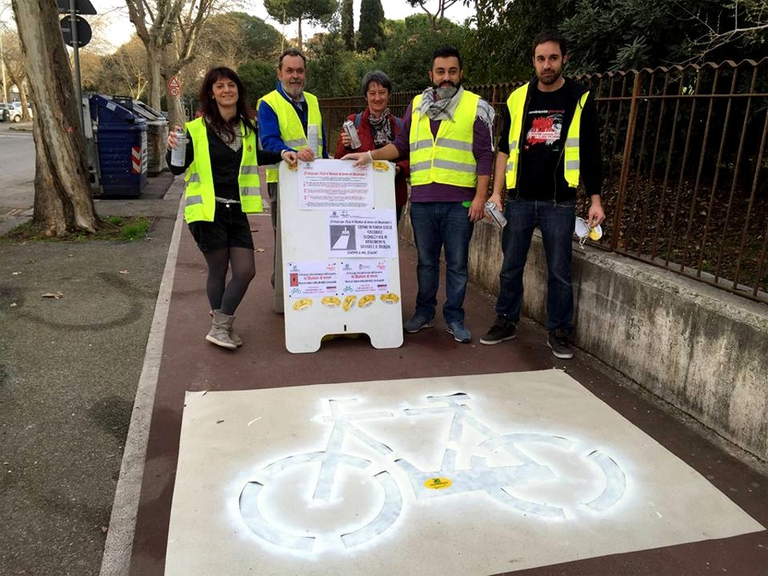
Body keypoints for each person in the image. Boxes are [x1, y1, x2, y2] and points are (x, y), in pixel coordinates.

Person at [345, 46, 495, 343]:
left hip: (459, 203)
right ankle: (424, 313)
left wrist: (480, 197)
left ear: (460, 74)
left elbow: (485, 156)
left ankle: (454, 317)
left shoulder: (476, 106)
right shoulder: (417, 105)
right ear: (431, 75)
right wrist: (370, 156)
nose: (446, 77)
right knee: (426, 262)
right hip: (423, 200)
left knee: (457, 265)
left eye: (452, 71)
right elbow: (401, 145)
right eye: (440, 72)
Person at [480, 31, 605, 359]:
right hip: (519, 199)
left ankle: (559, 331)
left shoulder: (579, 97)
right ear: (533, 62)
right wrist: (496, 193)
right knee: (511, 266)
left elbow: (591, 152)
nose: (546, 65)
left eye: (553, 58)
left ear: (564, 59)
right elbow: (504, 149)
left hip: (559, 201)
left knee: (560, 270)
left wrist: (595, 199)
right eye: (541, 59)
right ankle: (506, 320)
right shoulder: (518, 98)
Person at [167, 66, 297, 350]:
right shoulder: (195, 130)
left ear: (238, 90)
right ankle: (221, 328)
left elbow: (256, 156)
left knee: (245, 270)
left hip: (236, 210)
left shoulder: (248, 128)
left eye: (231, 85)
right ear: (211, 94)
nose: (226, 90)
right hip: (206, 211)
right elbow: (177, 168)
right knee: (218, 270)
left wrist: (282, 153)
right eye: (220, 86)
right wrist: (172, 147)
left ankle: (220, 325)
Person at [257, 48, 328, 308]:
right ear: (279, 73)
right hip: (284, 181)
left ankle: (311, 289)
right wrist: (293, 153)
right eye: (289, 71)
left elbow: (322, 143)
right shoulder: (268, 103)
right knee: (286, 239)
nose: (295, 76)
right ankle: (283, 293)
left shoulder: (314, 101)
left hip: (315, 182)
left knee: (315, 236)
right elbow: (268, 141)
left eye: (299, 71)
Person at [334, 70, 410, 222]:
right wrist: (345, 145)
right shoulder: (353, 121)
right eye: (372, 93)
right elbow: (339, 160)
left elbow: (412, 158)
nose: (377, 98)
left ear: (389, 95)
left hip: (392, 196)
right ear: (366, 96)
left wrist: (399, 169)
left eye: (382, 92)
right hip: (360, 197)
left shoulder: (400, 125)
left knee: (387, 236)